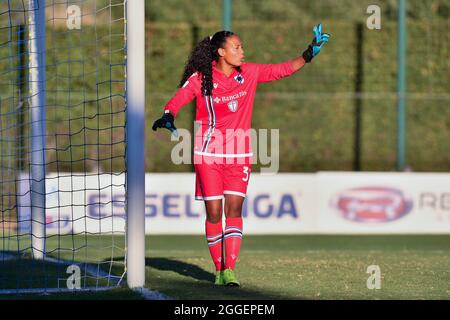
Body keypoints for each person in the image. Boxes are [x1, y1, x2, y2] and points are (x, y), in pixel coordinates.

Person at [152, 24, 330, 287]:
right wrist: (168, 115)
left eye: (242, 46)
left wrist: (308, 53)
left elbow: (281, 70)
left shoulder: (249, 73)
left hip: (239, 153)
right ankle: (218, 269)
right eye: (237, 47)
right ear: (222, 52)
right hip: (208, 153)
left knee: (234, 209)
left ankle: (229, 270)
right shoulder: (202, 78)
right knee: (214, 213)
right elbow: (180, 97)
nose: (242, 52)